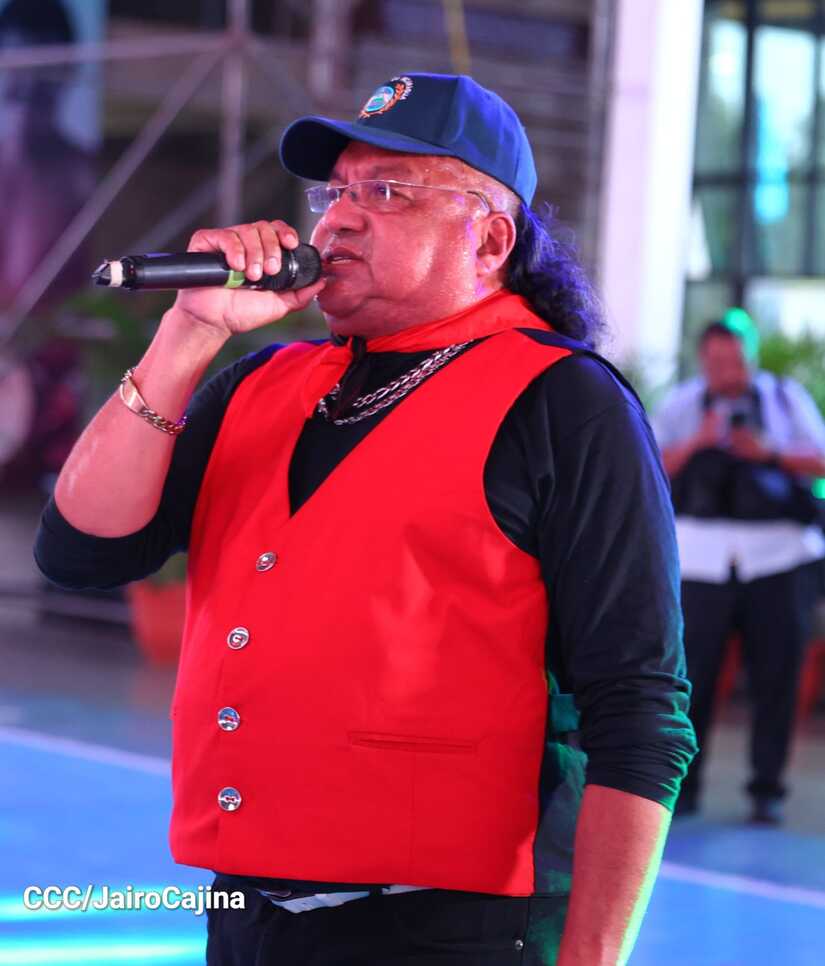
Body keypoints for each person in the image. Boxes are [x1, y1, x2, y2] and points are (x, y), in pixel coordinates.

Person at [35, 73, 696, 965]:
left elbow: (640, 708)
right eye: (335, 192)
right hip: (249, 916)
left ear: (489, 239)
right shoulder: (260, 384)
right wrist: (189, 334)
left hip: (453, 931)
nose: (338, 220)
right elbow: (81, 551)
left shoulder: (564, 403)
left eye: (386, 192)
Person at [653, 315, 825, 825]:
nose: (727, 370)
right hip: (701, 560)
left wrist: (770, 453)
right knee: (693, 677)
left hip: (778, 558)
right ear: (703, 360)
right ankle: (684, 788)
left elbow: (820, 459)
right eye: (717, 361)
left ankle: (767, 789)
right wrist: (699, 441)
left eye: (735, 360)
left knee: (778, 676)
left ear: (751, 355)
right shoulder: (682, 403)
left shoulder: (785, 399)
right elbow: (646, 464)